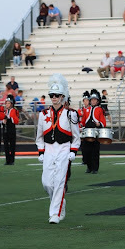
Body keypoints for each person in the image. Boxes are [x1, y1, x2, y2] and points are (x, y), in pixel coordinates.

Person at [36, 74, 80, 224]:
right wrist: (41, 151)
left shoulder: (71, 114)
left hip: (64, 149)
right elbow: (39, 137)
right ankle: (60, 202)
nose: (53, 98)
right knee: (47, 182)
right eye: (51, 95)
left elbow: (76, 136)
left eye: (56, 95)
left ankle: (54, 214)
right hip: (48, 149)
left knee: (60, 181)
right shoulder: (43, 115)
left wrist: (73, 151)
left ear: (62, 97)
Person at [81, 89, 106, 174]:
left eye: (95, 100)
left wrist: (99, 124)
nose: (93, 101)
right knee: (86, 150)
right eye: (92, 100)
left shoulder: (100, 109)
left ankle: (95, 168)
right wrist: (81, 125)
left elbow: (103, 121)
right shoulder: (86, 109)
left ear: (97, 101)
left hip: (95, 132)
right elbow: (83, 120)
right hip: (87, 132)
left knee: (95, 151)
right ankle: (89, 166)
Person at [2, 94, 19, 165]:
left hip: (11, 129)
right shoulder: (4, 111)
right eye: (6, 103)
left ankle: (12, 160)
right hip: (5, 129)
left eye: (8, 103)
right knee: (6, 145)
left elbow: (16, 120)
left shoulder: (14, 110)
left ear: (11, 104)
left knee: (12, 145)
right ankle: (7, 160)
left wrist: (9, 118)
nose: (7, 104)